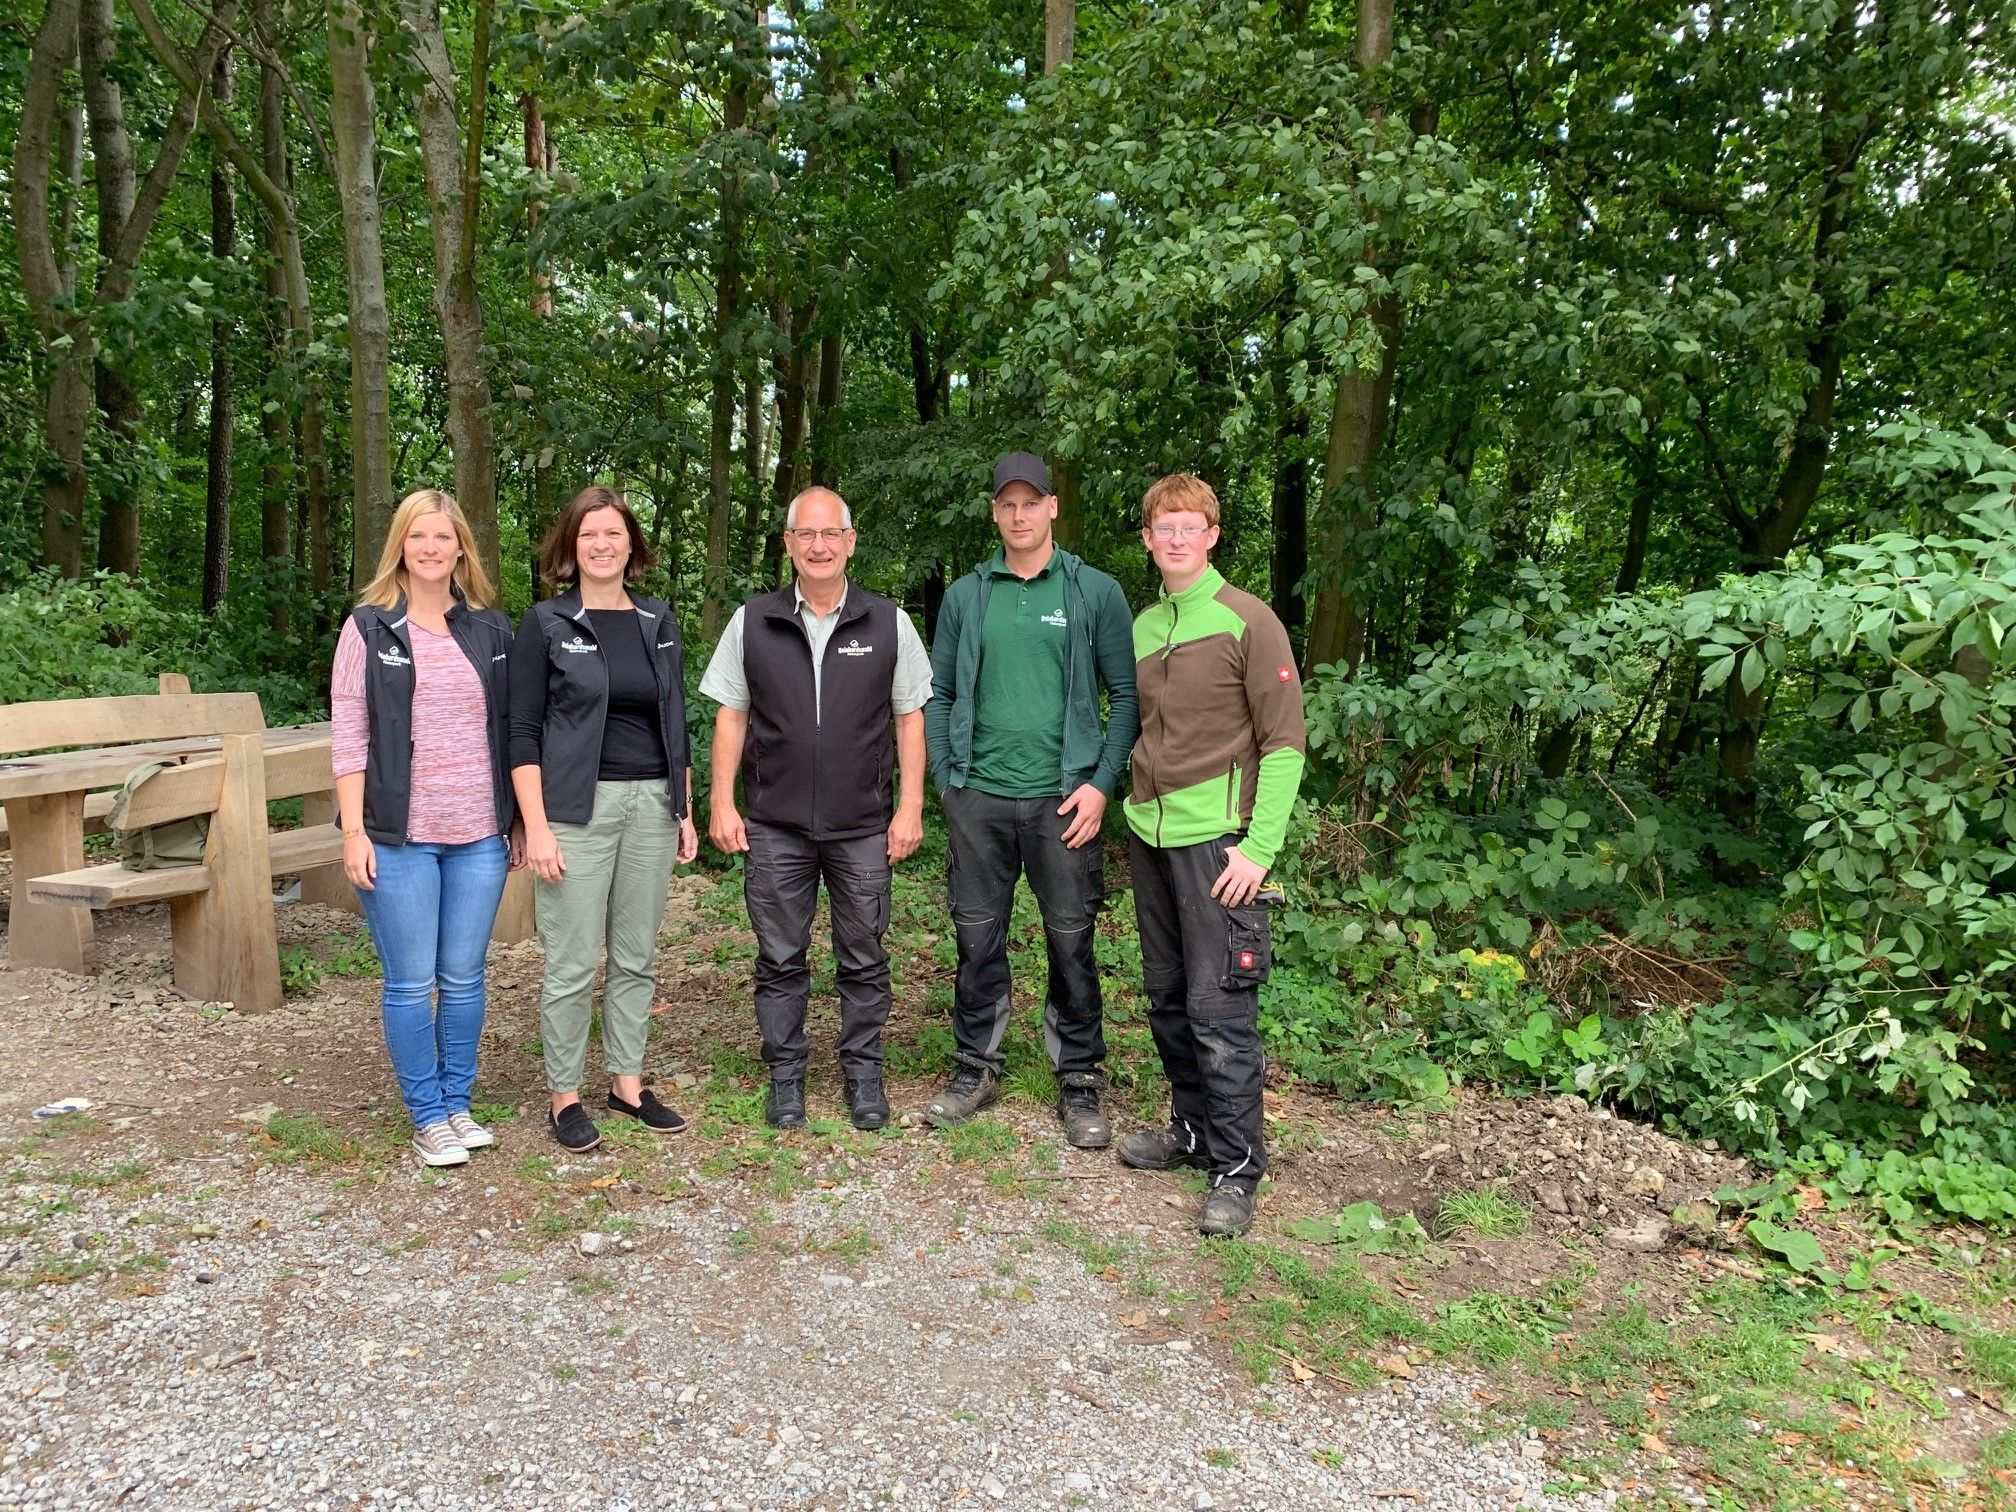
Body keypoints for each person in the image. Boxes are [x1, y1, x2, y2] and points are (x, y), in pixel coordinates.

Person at [922, 450, 1140, 1146]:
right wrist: (946, 780)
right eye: (1006, 504)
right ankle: (974, 1066)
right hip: (978, 797)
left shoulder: (1093, 592)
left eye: (1031, 502)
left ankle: (1079, 1081)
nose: (1018, 514)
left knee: (1070, 941)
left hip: (1063, 802)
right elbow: (941, 693)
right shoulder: (967, 595)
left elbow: (1127, 696)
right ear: (995, 512)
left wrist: (1101, 785)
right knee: (976, 937)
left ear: (1052, 507)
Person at [702, 487, 934, 1130]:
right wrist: (723, 803)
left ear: (850, 542)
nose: (819, 545)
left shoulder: (889, 621)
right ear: (789, 544)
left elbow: (911, 717)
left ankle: (863, 1077)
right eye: (806, 534)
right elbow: (731, 715)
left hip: (863, 826)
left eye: (831, 534)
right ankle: (786, 1080)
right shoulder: (754, 620)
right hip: (774, 826)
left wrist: (909, 807)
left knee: (864, 957)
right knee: (780, 958)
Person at [1119, 473, 1307, 1237]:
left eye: (1189, 526)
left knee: (1220, 1009)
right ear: (1148, 539)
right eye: (1163, 527)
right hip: (1150, 839)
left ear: (1212, 535)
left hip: (1219, 847)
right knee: (1167, 997)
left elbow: (1286, 742)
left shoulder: (1248, 621)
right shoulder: (1144, 626)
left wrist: (1258, 849)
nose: (1175, 539)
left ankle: (1237, 1169)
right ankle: (1191, 1132)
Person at [331, 489, 523, 1168]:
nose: (432, 549)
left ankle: (457, 1102)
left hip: (478, 835)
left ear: (461, 547)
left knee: (465, 977)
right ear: (401, 547)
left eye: (444, 537)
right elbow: (350, 736)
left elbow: (511, 731)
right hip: (396, 836)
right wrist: (353, 831)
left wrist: (517, 819)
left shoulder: (492, 630)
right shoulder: (368, 629)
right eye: (419, 537)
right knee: (412, 981)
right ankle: (427, 1115)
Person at [510, 485, 699, 1154]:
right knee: (570, 960)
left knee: (637, 956)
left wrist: (684, 808)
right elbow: (523, 730)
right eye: (588, 533)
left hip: (650, 805)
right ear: (571, 546)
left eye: (613, 533)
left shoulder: (657, 620)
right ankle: (564, 1095)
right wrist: (534, 825)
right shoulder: (545, 624)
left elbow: (673, 719)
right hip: (574, 813)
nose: (600, 544)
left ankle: (626, 1083)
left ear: (631, 545)